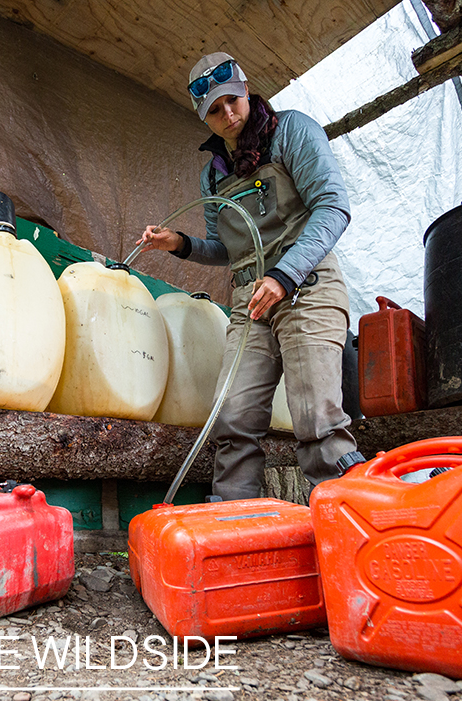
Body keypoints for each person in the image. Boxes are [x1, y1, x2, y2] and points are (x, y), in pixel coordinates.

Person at [136, 51, 359, 501]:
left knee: (316, 416)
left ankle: (345, 517)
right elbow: (230, 250)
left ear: (245, 89)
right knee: (233, 418)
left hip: (306, 289)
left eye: (232, 100)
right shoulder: (213, 176)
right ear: (205, 117)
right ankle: (233, 525)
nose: (228, 114)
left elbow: (333, 207)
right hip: (250, 304)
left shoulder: (292, 131)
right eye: (214, 111)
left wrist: (284, 274)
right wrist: (179, 243)